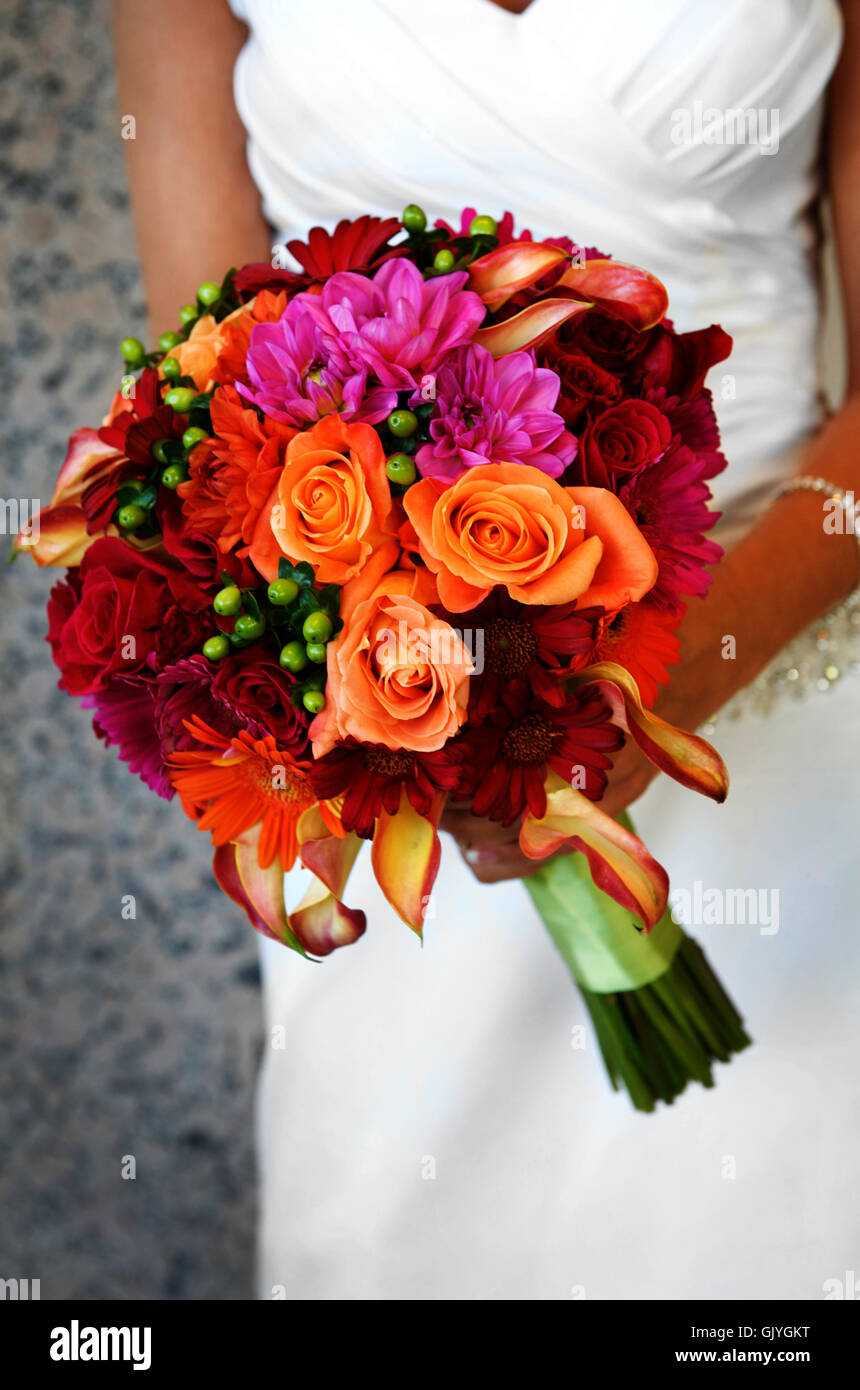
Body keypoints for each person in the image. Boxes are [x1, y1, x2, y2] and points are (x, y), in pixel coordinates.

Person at [116, 0, 860, 1298]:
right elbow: (206, 404)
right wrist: (382, 662)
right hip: (396, 750)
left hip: (770, 678)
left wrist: (665, 680)